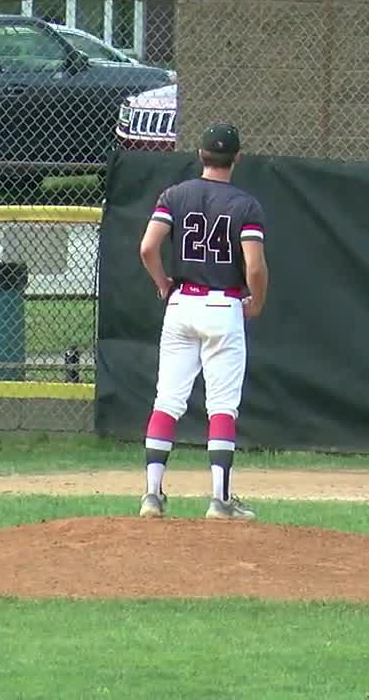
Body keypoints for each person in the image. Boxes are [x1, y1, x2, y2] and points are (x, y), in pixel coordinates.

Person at [137, 123, 269, 521]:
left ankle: (151, 495)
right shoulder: (246, 205)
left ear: (200, 154)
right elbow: (256, 267)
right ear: (237, 159)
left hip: (181, 305)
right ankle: (219, 500)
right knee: (222, 408)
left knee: (167, 400)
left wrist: (163, 283)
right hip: (223, 307)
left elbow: (147, 247)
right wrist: (257, 301)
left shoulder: (174, 195)